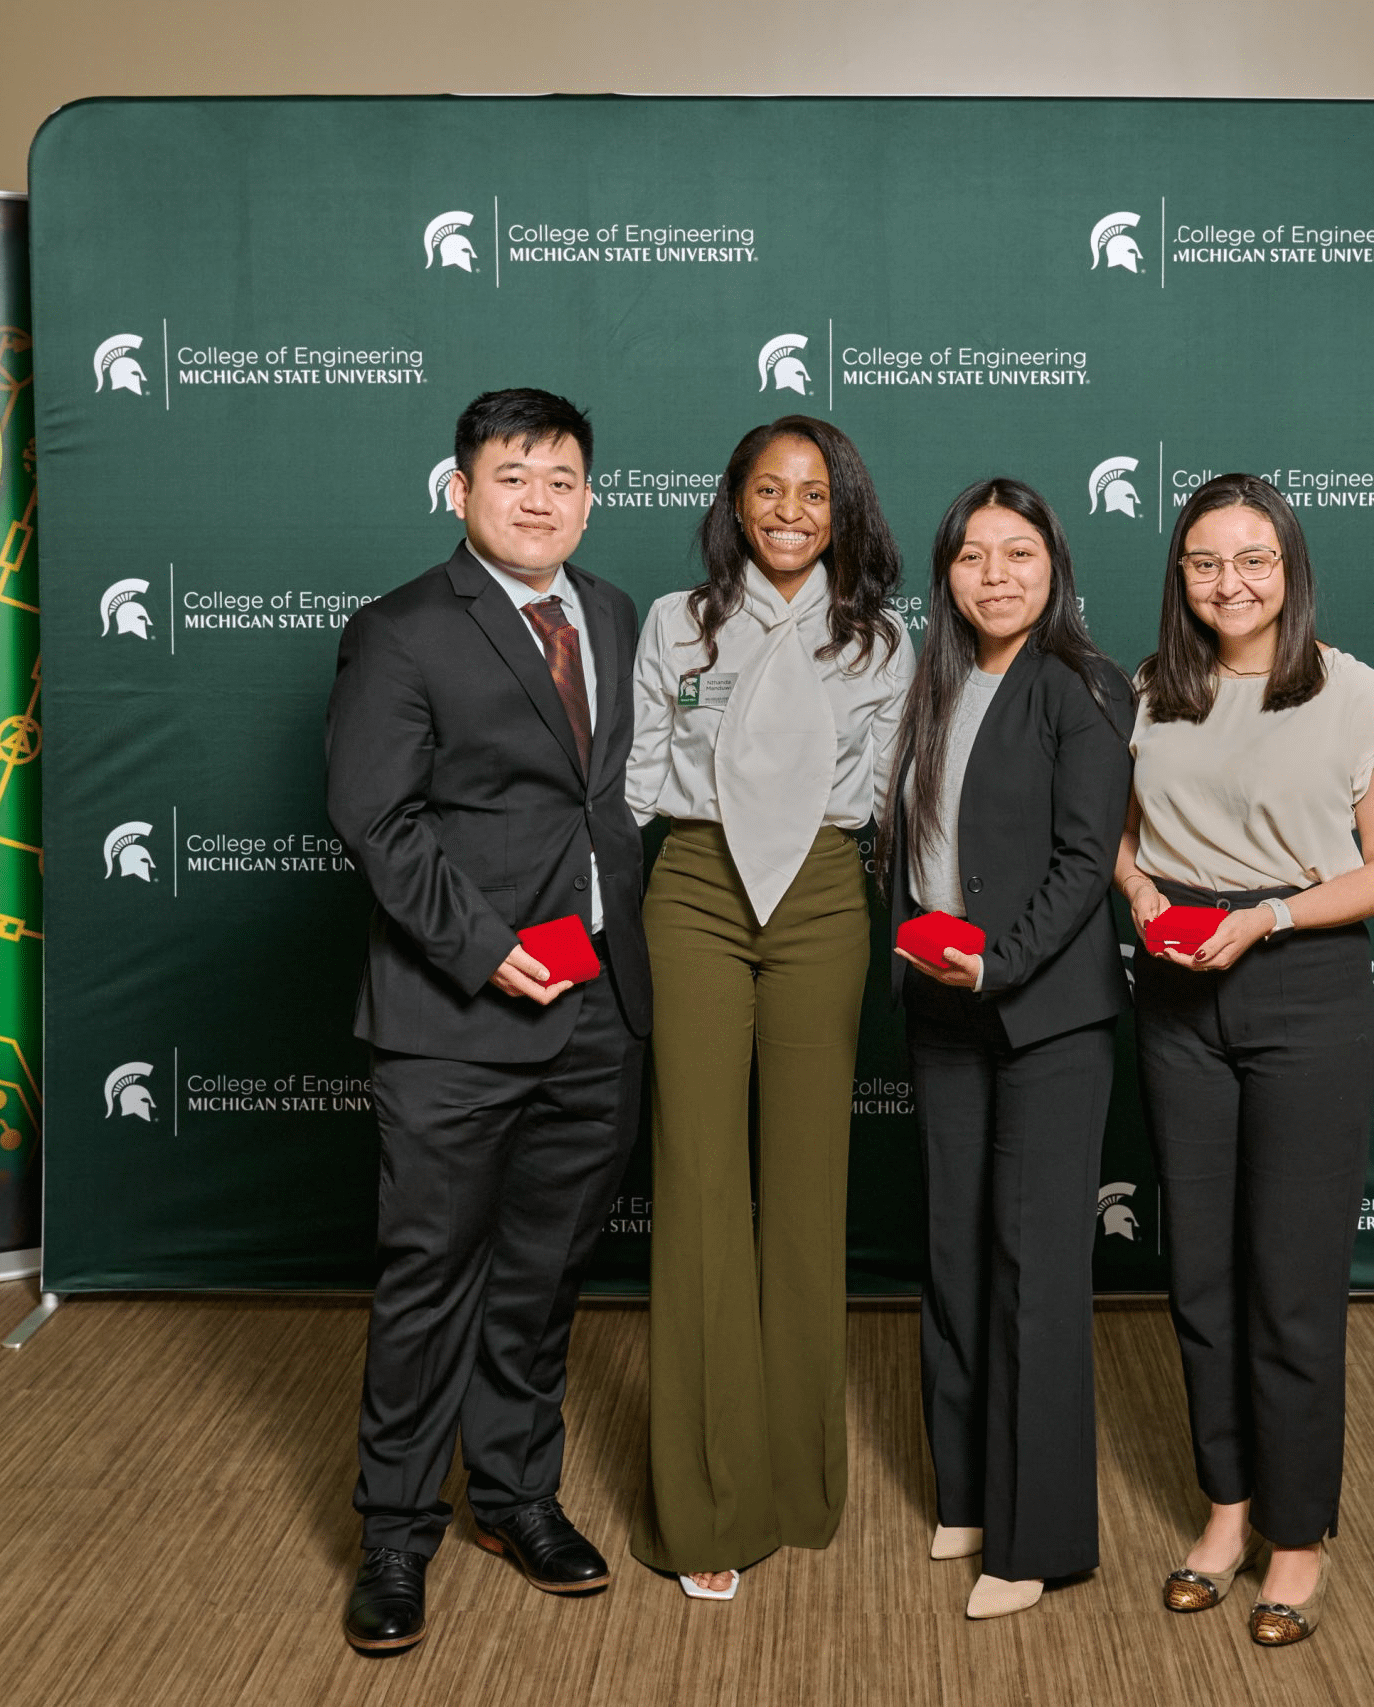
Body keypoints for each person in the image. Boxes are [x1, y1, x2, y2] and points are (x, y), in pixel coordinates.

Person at [325, 389, 649, 1653]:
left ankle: (515, 1497)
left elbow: (603, 803)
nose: (539, 498)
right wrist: (485, 948)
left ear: (588, 496)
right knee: (429, 1283)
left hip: (599, 1012)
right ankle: (395, 1535)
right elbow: (375, 819)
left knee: (541, 1276)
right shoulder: (401, 630)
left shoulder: (611, 613)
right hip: (456, 1017)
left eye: (563, 478)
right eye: (513, 477)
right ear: (461, 489)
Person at [1113, 472, 1374, 1649]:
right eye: (1203, 562)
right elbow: (1123, 837)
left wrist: (1271, 919)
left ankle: (1298, 1536)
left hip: (1302, 985)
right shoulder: (1151, 691)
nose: (1227, 582)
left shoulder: (1354, 693)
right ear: (1178, 576)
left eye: (1252, 559)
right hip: (1178, 990)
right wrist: (1137, 890)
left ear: (1288, 566)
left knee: (1289, 1286)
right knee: (1198, 1277)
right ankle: (1226, 1511)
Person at [624, 415, 913, 1600]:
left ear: (843, 509)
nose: (790, 511)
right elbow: (639, 774)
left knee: (806, 1187)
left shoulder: (883, 642)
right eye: (767, 491)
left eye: (814, 493)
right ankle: (707, 1506)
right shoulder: (673, 621)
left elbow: (890, 792)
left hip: (822, 897)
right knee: (696, 1184)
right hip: (691, 883)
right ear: (735, 505)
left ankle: (798, 1482)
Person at [881, 479, 1135, 1621]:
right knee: (955, 1254)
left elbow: (1087, 864)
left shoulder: (1082, 686)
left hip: (1044, 1018)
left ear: (1054, 566)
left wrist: (1000, 963)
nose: (995, 574)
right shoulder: (931, 686)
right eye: (973, 555)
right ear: (944, 575)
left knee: (1036, 1269)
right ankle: (970, 1493)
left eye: (1018, 552)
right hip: (939, 1008)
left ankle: (1038, 1543)